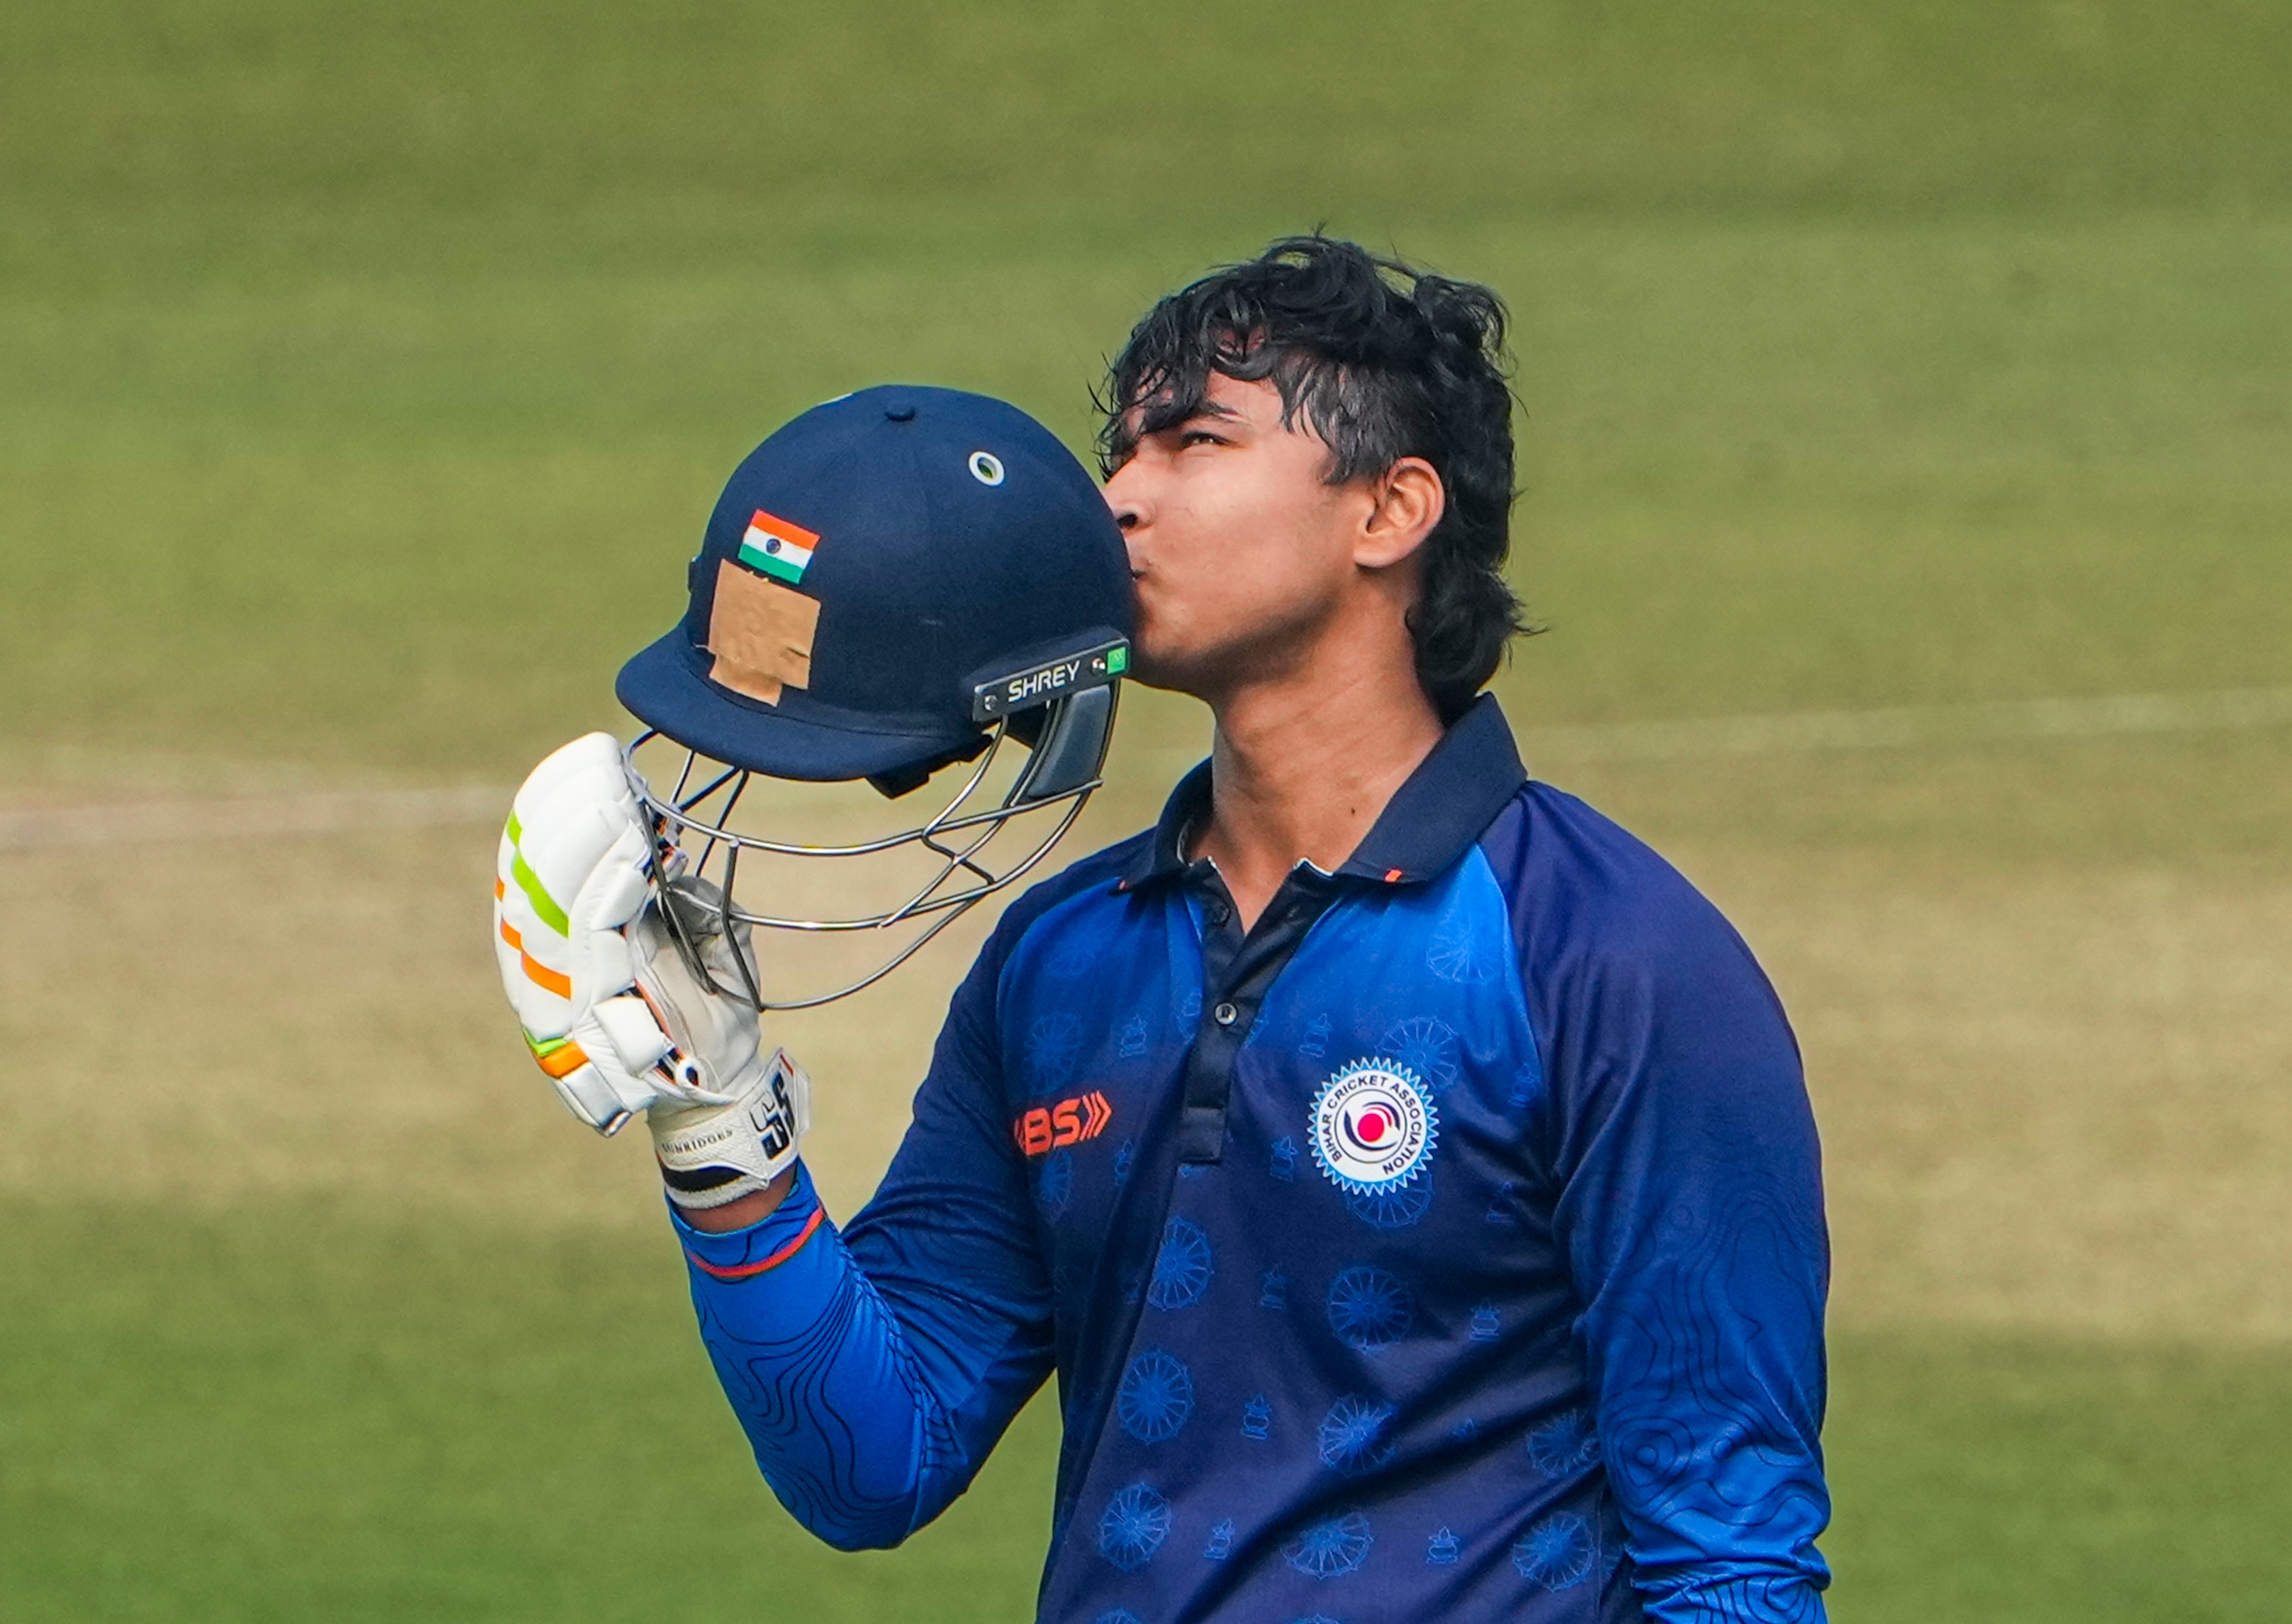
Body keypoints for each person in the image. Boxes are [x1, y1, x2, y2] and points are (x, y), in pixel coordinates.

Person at [499, 236, 1831, 1622]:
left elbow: (1731, 1556)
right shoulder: (1061, 966)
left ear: (1391, 510)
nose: (1117, 499)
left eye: (1196, 439)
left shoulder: (1611, 961)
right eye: (1118, 449)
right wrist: (717, 1141)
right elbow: (873, 1460)